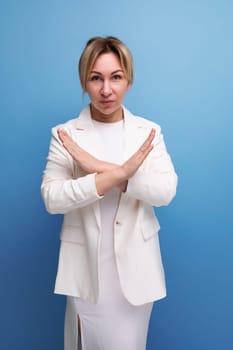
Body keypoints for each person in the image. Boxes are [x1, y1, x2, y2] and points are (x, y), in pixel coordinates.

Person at [41, 36, 178, 350]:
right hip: (87, 273)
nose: (106, 89)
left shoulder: (149, 132)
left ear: (128, 80)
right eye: (95, 78)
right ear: (83, 81)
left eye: (115, 77)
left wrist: (99, 167)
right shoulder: (66, 134)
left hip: (136, 275)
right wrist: (113, 175)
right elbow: (52, 198)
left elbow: (165, 190)